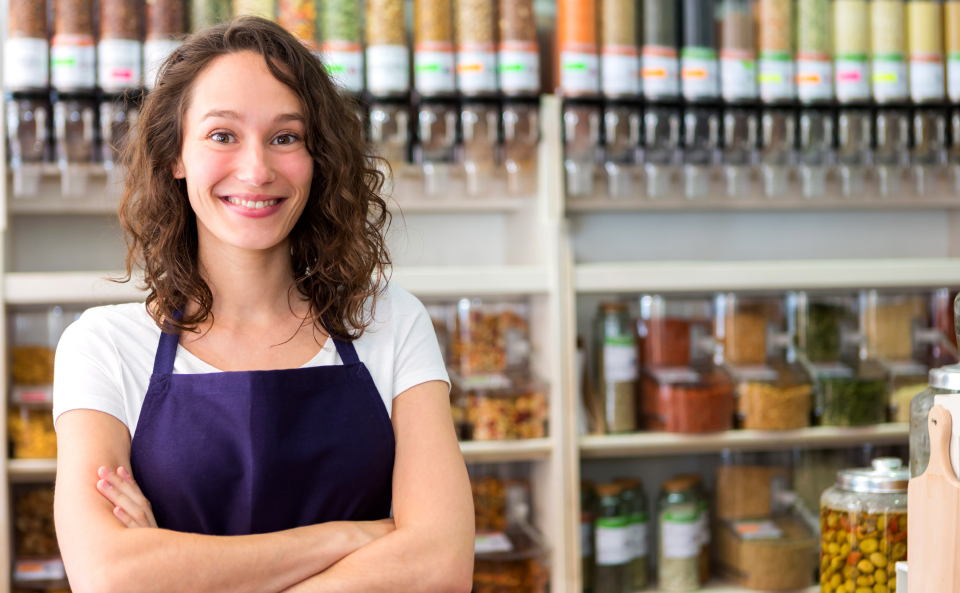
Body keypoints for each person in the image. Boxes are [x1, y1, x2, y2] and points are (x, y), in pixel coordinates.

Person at [52, 17, 474, 593]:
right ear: (176, 156)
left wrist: (181, 570)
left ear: (318, 156)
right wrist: (349, 538)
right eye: (222, 135)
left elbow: (439, 567)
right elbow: (108, 575)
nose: (257, 170)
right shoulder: (101, 347)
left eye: (285, 137)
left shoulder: (391, 321)